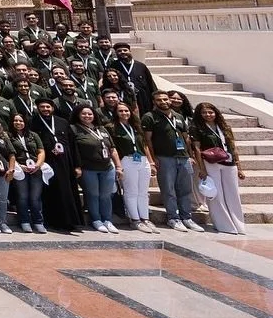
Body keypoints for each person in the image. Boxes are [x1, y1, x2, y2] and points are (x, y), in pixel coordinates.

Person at [141, 90, 204, 232]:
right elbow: (147, 140)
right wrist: (153, 159)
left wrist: (190, 155)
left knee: (185, 189)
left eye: (165, 99)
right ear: (154, 102)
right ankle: (173, 218)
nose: (163, 102)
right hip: (164, 157)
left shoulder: (178, 116)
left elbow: (186, 138)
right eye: (159, 100)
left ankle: (186, 217)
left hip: (183, 157)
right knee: (168, 190)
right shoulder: (149, 117)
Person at [192, 102, 246, 235]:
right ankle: (223, 225)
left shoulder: (225, 127)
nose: (208, 115)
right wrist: (202, 168)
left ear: (216, 113)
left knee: (233, 193)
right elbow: (197, 149)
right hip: (211, 162)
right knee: (216, 194)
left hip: (229, 161)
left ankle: (238, 225)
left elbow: (233, 147)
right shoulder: (197, 128)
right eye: (204, 113)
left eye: (210, 112)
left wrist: (239, 166)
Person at [30, 98, 81, 234]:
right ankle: (55, 221)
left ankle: (71, 222)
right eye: (42, 107)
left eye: (48, 107)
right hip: (48, 162)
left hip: (66, 162)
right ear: (38, 108)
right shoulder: (33, 122)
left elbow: (73, 144)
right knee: (52, 192)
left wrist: (77, 165)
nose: (45, 109)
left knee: (68, 191)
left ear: (52, 108)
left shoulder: (62, 122)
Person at [71, 105, 121, 233]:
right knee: (93, 195)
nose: (87, 116)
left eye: (90, 114)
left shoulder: (102, 129)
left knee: (106, 195)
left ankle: (107, 220)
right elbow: (73, 151)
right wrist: (77, 166)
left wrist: (118, 166)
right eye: (84, 114)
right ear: (78, 115)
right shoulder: (74, 129)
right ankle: (96, 220)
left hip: (107, 167)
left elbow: (112, 149)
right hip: (88, 168)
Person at [109, 101, 153, 233]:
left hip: (142, 160)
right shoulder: (112, 127)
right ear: (116, 113)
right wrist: (117, 165)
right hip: (127, 160)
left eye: (126, 110)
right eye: (121, 111)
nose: (124, 113)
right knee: (131, 191)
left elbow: (144, 145)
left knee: (143, 192)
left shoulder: (136, 126)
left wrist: (151, 161)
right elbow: (112, 147)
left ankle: (145, 218)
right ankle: (135, 219)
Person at [8, 112, 46, 233]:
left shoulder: (33, 135)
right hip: (20, 169)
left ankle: (38, 221)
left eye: (21, 121)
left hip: (35, 168)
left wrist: (38, 165)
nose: (18, 123)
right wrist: (20, 166)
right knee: (22, 197)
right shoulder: (8, 135)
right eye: (15, 121)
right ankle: (24, 221)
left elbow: (41, 151)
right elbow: (9, 153)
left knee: (35, 197)